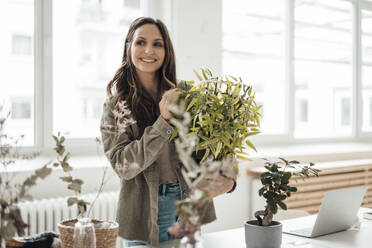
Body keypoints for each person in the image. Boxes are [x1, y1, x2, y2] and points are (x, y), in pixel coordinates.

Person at [100, 17, 236, 247]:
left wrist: (230, 180)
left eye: (158, 44)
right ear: (128, 47)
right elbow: (123, 165)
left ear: (166, 51)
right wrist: (163, 122)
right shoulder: (116, 105)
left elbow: (222, 144)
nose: (149, 50)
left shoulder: (188, 94)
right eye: (140, 42)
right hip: (142, 212)